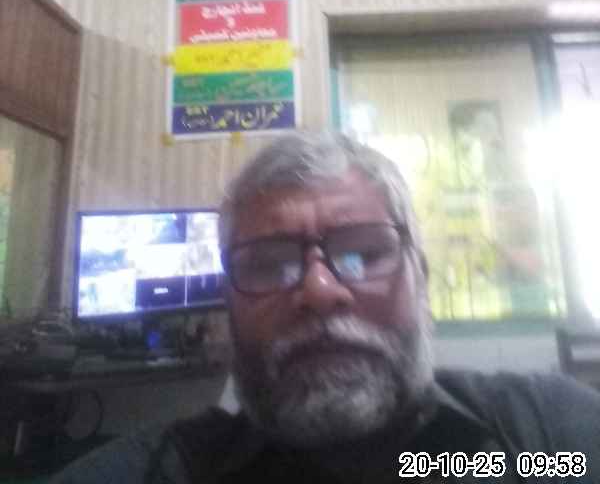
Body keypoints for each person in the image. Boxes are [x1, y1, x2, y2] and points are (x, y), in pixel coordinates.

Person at [53, 132, 600, 483]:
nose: (318, 290)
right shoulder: (165, 471)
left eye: (362, 253)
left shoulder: (547, 438)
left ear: (423, 278)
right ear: (228, 304)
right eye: (268, 264)